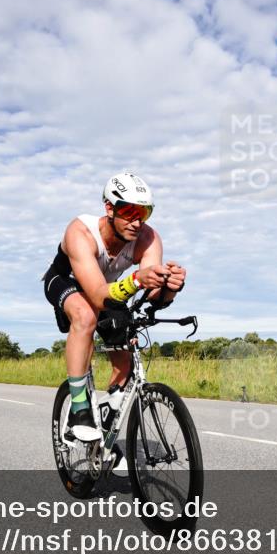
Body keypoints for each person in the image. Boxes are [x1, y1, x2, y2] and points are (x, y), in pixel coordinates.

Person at [42, 171, 186, 449]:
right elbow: (96, 295)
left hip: (107, 289)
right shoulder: (81, 232)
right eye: (129, 211)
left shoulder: (148, 238)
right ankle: (79, 409)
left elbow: (150, 292)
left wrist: (169, 286)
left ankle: (107, 424)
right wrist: (135, 280)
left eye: (144, 212)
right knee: (85, 316)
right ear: (109, 207)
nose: (137, 221)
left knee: (125, 352)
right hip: (66, 282)